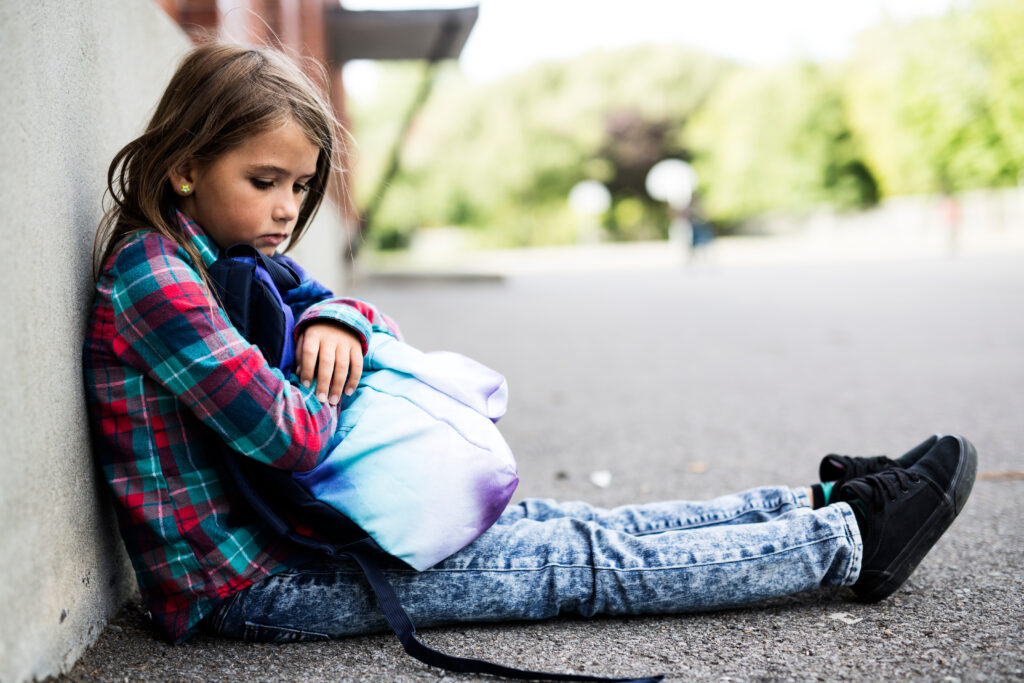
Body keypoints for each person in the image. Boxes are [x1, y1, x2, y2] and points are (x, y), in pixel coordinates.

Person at [84, 42, 977, 655]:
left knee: (568, 526)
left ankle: (821, 499)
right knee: (573, 565)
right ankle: (847, 543)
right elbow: (294, 437)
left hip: (305, 537)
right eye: (264, 181)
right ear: (185, 165)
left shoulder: (226, 256)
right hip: (249, 586)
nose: (287, 208)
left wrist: (337, 323)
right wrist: (339, 376)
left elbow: (346, 312)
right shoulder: (156, 279)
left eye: (301, 186)